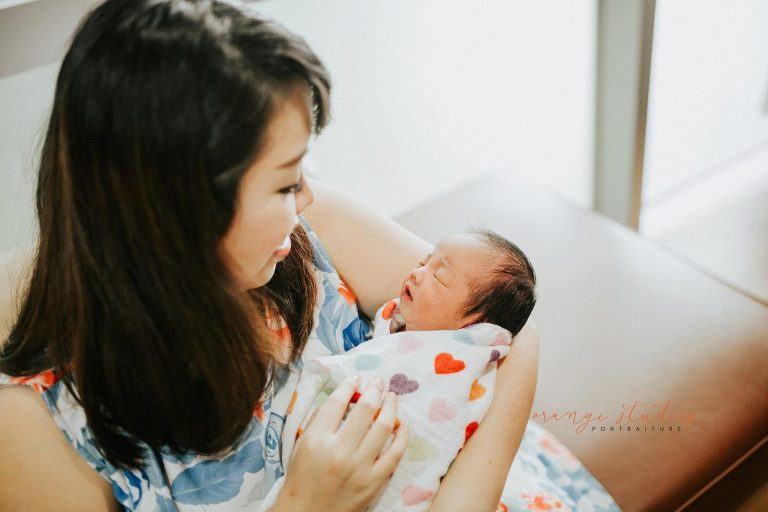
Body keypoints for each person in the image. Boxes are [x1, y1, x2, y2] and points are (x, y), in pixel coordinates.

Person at [0, 1, 540, 511]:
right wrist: (304, 503)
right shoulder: (33, 431)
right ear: (178, 211)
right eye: (285, 183)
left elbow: (507, 329)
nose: (306, 196)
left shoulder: (307, 231)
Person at [374, 228, 536, 336]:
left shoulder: (446, 363)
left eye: (438, 277)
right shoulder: (394, 318)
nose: (416, 273)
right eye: (424, 263)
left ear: (474, 324)